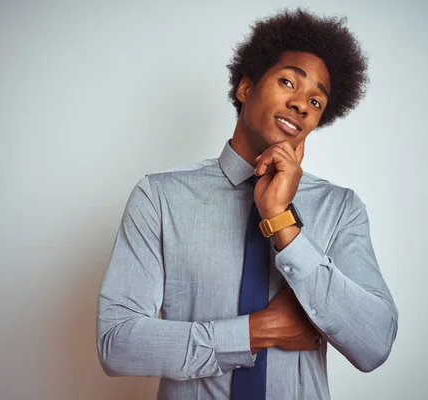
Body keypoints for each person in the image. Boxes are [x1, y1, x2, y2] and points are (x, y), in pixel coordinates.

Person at [97, 8, 398, 400]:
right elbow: (116, 343)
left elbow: (374, 344)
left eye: (316, 102)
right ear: (245, 88)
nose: (302, 105)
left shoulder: (340, 209)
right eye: (288, 81)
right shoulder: (160, 198)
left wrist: (282, 223)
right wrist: (257, 330)